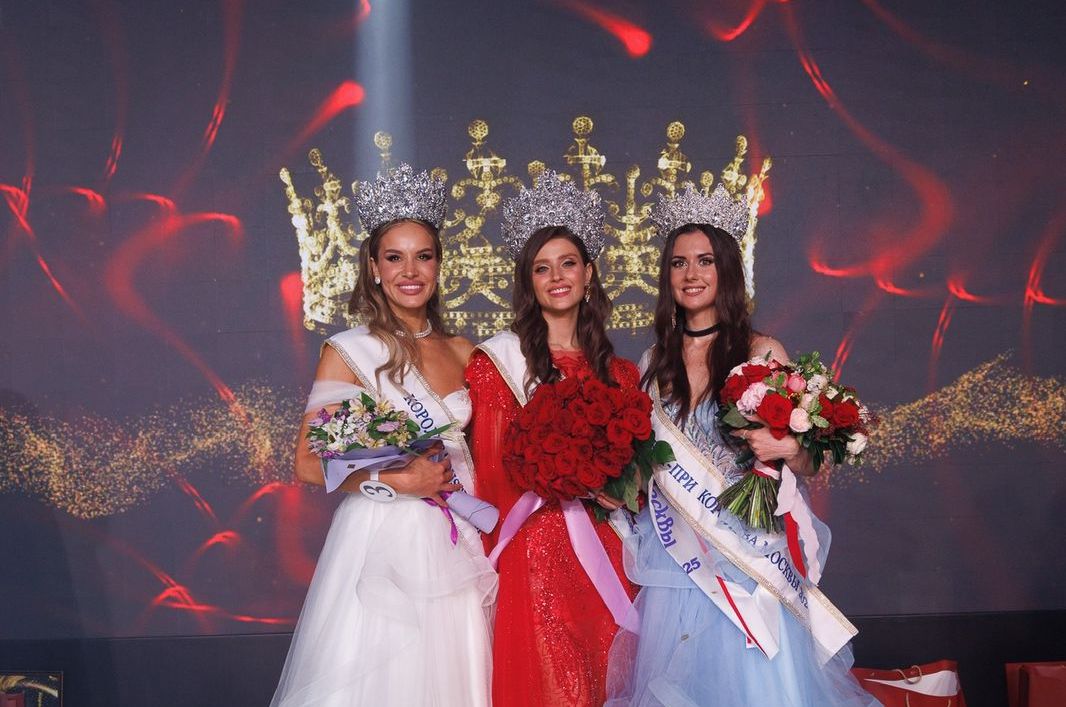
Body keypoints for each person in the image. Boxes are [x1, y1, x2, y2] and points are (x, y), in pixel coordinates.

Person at [605, 185, 880, 706]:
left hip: (747, 553)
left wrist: (784, 448)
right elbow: (649, 467)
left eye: (705, 261)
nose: (691, 274)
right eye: (679, 263)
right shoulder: (652, 362)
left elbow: (808, 460)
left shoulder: (761, 351)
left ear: (726, 269)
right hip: (678, 556)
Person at [271, 164, 496, 707]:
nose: (410, 271)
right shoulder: (349, 351)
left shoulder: (466, 352)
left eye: (424, 256)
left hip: (455, 539)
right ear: (374, 267)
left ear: (439, 264)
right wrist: (400, 482)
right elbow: (307, 464)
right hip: (380, 538)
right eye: (394, 257)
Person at [466, 171, 640, 706]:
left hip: (608, 541)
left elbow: (640, 473)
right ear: (529, 282)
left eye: (568, 263)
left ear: (589, 273)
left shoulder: (621, 374)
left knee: (608, 665)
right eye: (542, 268)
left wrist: (618, 489)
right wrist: (558, 480)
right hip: (535, 544)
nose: (557, 277)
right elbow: (492, 472)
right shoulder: (496, 366)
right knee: (551, 676)